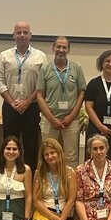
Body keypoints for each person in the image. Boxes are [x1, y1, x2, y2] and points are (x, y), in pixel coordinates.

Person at [0, 22, 46, 169]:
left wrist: (27, 102)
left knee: (31, 146)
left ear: (31, 35)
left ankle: (29, 176)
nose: (22, 35)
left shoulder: (40, 56)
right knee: (9, 145)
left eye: (25, 32)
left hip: (32, 107)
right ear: (13, 35)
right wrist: (12, 102)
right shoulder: (4, 55)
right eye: (19, 32)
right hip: (10, 107)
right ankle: (8, 174)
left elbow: (42, 84)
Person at [36, 36, 86, 167]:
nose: (61, 50)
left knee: (71, 156)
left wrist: (71, 116)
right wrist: (51, 118)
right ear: (53, 48)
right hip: (49, 120)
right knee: (48, 155)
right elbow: (39, 95)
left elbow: (81, 93)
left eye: (64, 47)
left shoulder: (76, 68)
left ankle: (70, 180)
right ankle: (47, 180)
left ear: (68, 50)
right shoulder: (45, 69)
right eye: (58, 46)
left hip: (71, 121)